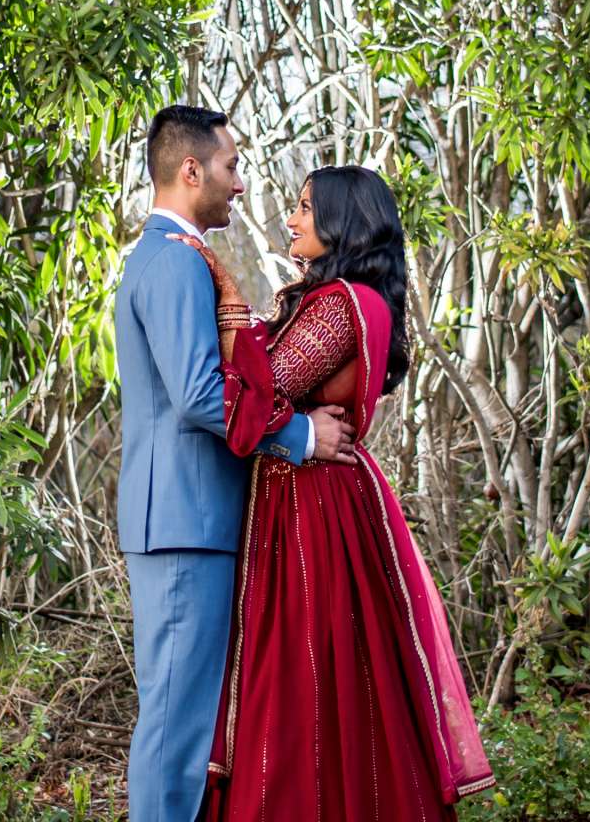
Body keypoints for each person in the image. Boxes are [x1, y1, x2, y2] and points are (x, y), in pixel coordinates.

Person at [170, 164, 494, 822]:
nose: (292, 220)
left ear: (343, 222)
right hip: (322, 499)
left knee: (303, 682)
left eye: (306, 209)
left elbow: (265, 393)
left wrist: (225, 290)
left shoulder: (343, 304)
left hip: (312, 506)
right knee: (338, 685)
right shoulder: (354, 300)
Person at [116, 106, 353, 822]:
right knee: (176, 727)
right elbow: (197, 394)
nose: (240, 184)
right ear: (192, 171)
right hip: (185, 521)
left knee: (184, 718)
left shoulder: (172, 258)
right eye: (231, 166)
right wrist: (301, 438)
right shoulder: (173, 260)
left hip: (187, 518)